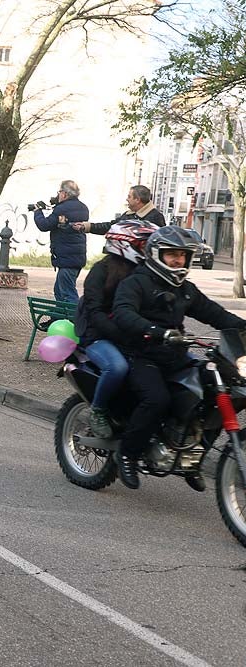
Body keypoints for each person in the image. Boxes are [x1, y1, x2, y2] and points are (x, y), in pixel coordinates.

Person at [111, 226, 246, 491]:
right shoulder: (136, 282)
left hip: (175, 355)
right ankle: (127, 453)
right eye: (172, 254)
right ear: (155, 254)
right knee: (156, 399)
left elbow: (217, 315)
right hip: (140, 354)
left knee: (219, 394)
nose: (178, 260)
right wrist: (156, 331)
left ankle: (191, 459)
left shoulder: (186, 289)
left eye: (183, 255)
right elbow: (124, 312)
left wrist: (244, 327)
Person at [73, 221, 159, 438]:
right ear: (125, 244)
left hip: (128, 336)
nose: (148, 251)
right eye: (144, 245)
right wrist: (121, 334)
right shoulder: (100, 271)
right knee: (117, 367)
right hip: (96, 336)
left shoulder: (143, 273)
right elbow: (94, 312)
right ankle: (98, 410)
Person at [33, 180, 89, 303]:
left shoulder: (62, 209)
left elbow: (44, 225)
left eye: (59, 192)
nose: (58, 195)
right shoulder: (83, 208)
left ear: (64, 194)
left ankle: (76, 319)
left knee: (68, 294)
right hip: (76, 256)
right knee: (59, 291)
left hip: (67, 258)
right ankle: (59, 318)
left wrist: (37, 211)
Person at [73, 185, 168, 235]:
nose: (127, 199)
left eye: (129, 197)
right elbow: (111, 227)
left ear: (137, 200)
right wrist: (87, 226)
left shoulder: (156, 217)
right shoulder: (128, 215)